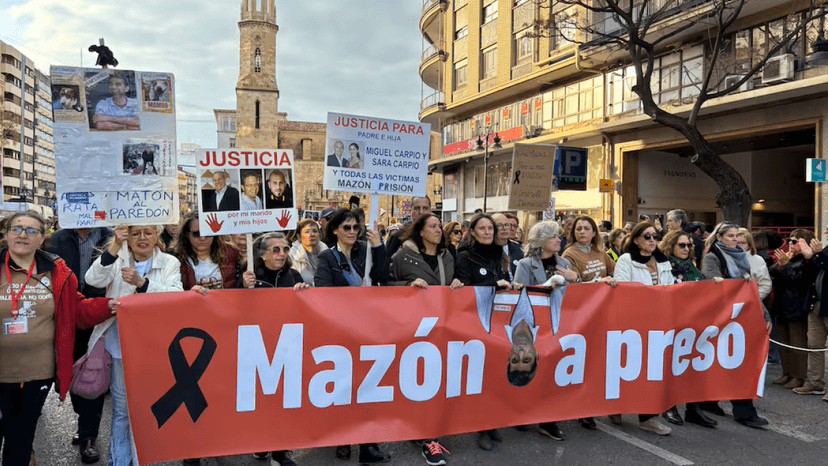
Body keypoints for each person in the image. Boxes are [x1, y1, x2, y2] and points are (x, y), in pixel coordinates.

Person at [0, 212, 115, 466]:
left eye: (31, 230)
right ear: (6, 234)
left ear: (42, 238)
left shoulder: (58, 273)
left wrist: (112, 305)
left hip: (36, 374)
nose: (22, 235)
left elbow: (78, 311)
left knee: (19, 441)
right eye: (16, 228)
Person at [85, 224, 183, 466]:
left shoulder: (169, 262)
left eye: (148, 233)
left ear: (156, 235)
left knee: (146, 405)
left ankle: (140, 458)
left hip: (154, 345)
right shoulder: (117, 258)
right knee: (121, 407)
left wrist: (142, 283)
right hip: (120, 344)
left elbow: (176, 296)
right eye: (135, 233)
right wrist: (115, 247)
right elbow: (92, 279)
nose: (142, 238)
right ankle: (119, 460)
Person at [314, 209, 390, 464]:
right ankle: (343, 439)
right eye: (346, 227)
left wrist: (378, 247)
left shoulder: (366, 251)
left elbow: (382, 276)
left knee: (367, 386)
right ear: (335, 229)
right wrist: (355, 296)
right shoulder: (327, 257)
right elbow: (323, 292)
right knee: (343, 387)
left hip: (368, 330)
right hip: (341, 332)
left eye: (356, 227)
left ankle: (369, 444)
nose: (352, 232)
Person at [389, 213, 458, 466]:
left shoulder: (448, 256)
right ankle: (422, 432)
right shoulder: (402, 256)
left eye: (440, 226)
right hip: (412, 329)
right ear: (421, 231)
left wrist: (458, 284)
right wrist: (406, 286)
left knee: (436, 381)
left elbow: (452, 285)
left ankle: (430, 436)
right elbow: (385, 285)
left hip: (442, 328)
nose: (439, 230)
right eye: (433, 226)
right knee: (417, 381)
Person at [47, 226, 112, 464]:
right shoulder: (55, 239)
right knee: (71, 373)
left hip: (101, 314)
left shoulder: (112, 237)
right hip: (65, 316)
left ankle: (88, 436)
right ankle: (81, 416)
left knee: (94, 375)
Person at [242, 232, 307, 466]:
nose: (282, 254)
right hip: (257, 346)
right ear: (262, 255)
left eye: (285, 249)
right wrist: (243, 287)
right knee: (260, 399)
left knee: (284, 399)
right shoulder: (250, 276)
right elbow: (234, 308)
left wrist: (304, 292)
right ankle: (260, 443)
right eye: (275, 249)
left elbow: (305, 309)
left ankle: (280, 452)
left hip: (286, 345)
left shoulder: (294, 275)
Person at [700, 221, 771, 428]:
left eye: (737, 236)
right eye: (730, 236)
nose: (735, 239)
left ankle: (732, 407)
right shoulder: (712, 257)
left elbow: (749, 290)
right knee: (725, 362)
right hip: (721, 319)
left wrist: (764, 316)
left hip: (740, 318)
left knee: (738, 363)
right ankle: (738, 410)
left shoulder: (742, 257)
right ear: (719, 237)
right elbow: (712, 285)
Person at [453, 213, 516, 451]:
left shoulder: (500, 255)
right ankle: (481, 427)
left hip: (498, 321)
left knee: (495, 374)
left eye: (490, 228)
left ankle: (491, 422)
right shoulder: (464, 256)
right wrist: (493, 285)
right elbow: (465, 290)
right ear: (473, 232)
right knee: (478, 376)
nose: (488, 232)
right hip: (475, 323)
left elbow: (504, 282)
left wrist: (511, 286)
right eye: (482, 228)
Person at [513, 220, 579, 441]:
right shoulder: (526, 264)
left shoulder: (564, 263)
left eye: (559, 236)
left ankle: (548, 420)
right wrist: (543, 288)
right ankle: (524, 411)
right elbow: (520, 295)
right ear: (541, 241)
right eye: (554, 236)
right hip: (535, 325)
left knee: (552, 370)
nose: (559, 240)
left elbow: (578, 295)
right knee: (535, 368)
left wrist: (575, 278)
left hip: (559, 324)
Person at [613, 222, 676, 436]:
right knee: (628, 368)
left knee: (653, 371)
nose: (652, 240)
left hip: (659, 324)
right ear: (636, 239)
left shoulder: (663, 261)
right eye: (647, 236)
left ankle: (648, 418)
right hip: (634, 324)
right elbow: (623, 289)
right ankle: (616, 406)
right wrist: (652, 297)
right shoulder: (626, 260)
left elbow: (671, 290)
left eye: (655, 236)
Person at [655, 229, 717, 428]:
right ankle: (669, 405)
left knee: (694, 365)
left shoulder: (691, 265)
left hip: (695, 323)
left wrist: (713, 284)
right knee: (672, 365)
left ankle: (694, 409)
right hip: (673, 322)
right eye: (681, 245)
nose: (686, 248)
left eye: (689, 245)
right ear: (671, 245)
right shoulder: (664, 265)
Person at [767, 228, 816, 391]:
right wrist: (781, 264)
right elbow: (772, 272)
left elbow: (798, 278)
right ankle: (787, 372)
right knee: (783, 343)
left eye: (794, 241)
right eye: (789, 240)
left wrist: (785, 265)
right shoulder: (789, 258)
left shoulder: (807, 260)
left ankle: (798, 376)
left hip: (797, 308)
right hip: (782, 306)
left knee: (797, 344)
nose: (790, 243)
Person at [799, 226, 828, 398]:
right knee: (814, 345)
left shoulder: (822, 252)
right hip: (816, 303)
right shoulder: (824, 250)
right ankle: (815, 382)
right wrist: (809, 257)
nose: (825, 233)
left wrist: (818, 255)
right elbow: (811, 274)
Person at [175, 213, 239, 291]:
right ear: (187, 234)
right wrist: (189, 293)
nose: (202, 238)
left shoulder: (231, 253)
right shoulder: (176, 260)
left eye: (208, 233)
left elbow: (239, 283)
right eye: (196, 234)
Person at [561, 216, 616, 285]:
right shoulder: (569, 255)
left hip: (603, 291)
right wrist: (598, 281)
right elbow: (574, 284)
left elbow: (616, 270)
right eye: (578, 229)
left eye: (586, 229)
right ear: (574, 233)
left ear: (594, 233)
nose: (582, 232)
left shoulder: (600, 252)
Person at [385, 196, 432, 260]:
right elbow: (387, 262)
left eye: (425, 208)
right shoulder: (398, 237)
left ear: (430, 211)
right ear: (410, 211)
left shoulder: (438, 235)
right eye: (417, 208)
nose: (421, 212)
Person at [289, 218, 329, 286]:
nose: (312, 234)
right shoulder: (292, 257)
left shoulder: (328, 254)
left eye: (315, 231)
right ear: (299, 237)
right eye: (307, 232)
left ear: (319, 235)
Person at [492, 213, 522, 279]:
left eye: (506, 225)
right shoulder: (487, 250)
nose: (504, 228)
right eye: (499, 225)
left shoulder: (519, 249)